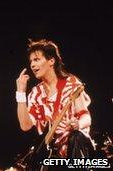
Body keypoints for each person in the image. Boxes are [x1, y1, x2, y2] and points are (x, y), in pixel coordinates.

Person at [15, 39, 95, 168]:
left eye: (36, 59)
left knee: (76, 136)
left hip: (75, 149)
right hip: (50, 153)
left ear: (51, 61)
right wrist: (20, 93)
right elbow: (25, 125)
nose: (32, 65)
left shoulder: (71, 83)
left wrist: (78, 124)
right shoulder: (36, 93)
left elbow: (86, 116)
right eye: (31, 61)